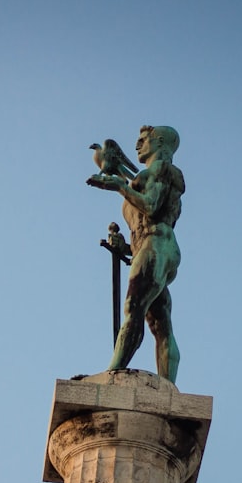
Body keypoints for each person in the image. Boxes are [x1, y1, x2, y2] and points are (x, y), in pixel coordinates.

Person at [86, 125, 185, 381]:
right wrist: (126, 248)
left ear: (160, 141)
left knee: (133, 306)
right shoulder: (148, 175)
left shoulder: (162, 170)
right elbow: (144, 228)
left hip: (158, 245)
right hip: (152, 247)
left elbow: (151, 208)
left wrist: (119, 186)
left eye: (143, 139)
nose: (137, 145)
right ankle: (167, 387)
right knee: (159, 322)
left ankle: (113, 373)